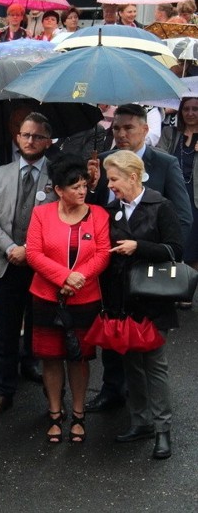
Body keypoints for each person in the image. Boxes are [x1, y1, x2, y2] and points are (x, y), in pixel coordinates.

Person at [85, 104, 193, 413]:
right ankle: (112, 390)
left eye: (128, 128)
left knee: (147, 344)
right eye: (116, 128)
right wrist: (92, 187)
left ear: (146, 130)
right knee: (112, 332)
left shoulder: (164, 163)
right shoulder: (101, 162)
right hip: (110, 269)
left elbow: (182, 219)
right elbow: (92, 213)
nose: (120, 134)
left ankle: (149, 408)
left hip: (148, 272)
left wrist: (158, 255)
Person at [25, 154, 110, 444]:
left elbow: (102, 254)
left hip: (84, 298)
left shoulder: (98, 214)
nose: (82, 191)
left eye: (85, 185)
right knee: (51, 358)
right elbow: (34, 254)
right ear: (59, 190)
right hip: (46, 296)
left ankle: (78, 414)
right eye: (75, 187)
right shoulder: (42, 214)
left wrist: (78, 279)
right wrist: (63, 277)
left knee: (80, 358)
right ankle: (54, 413)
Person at [100, 151, 180, 459]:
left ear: (133, 177)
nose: (110, 185)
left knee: (155, 366)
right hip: (121, 301)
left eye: (114, 179)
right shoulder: (111, 210)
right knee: (131, 363)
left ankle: (163, 431)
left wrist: (139, 247)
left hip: (153, 300)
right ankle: (141, 421)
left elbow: (175, 250)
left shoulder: (161, 206)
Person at [0, 112, 58, 416]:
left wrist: (31, 250)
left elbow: (60, 219)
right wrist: (11, 247)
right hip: (7, 261)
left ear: (48, 141)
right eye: (25, 134)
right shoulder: (2, 172)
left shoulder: (56, 173)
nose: (30, 140)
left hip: (41, 264)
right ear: (17, 137)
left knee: (39, 325)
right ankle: (4, 388)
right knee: (8, 330)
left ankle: (31, 364)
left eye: (38, 136)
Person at [158, 97, 198, 280]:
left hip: (195, 195)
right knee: (172, 237)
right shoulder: (170, 133)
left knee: (194, 243)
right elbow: (159, 155)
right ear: (180, 112)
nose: (190, 113)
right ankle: (170, 284)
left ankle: (189, 287)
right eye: (186, 109)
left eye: (195, 109)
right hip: (172, 193)